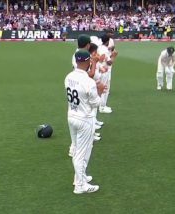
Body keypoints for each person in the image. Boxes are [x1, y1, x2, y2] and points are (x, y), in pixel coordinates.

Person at [65, 50, 107, 194]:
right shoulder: (88, 82)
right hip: (84, 119)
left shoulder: (68, 76)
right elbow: (95, 104)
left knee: (77, 149)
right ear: (88, 62)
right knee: (82, 153)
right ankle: (80, 186)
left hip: (72, 115)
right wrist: (100, 90)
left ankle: (79, 178)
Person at [98, 34, 118, 114]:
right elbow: (109, 62)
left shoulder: (100, 48)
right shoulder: (105, 50)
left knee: (103, 88)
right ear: (108, 41)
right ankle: (102, 107)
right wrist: (114, 56)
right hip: (104, 70)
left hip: (101, 69)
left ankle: (102, 105)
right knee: (104, 88)